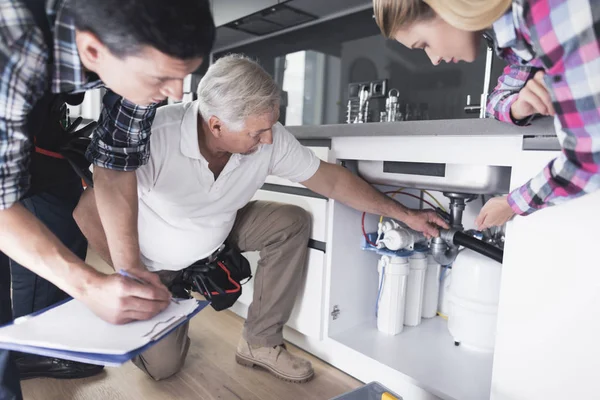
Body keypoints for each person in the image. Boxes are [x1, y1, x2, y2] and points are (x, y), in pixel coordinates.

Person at [73, 54, 449, 383]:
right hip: (156, 266)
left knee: (290, 221)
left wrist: (407, 215)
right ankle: (158, 313)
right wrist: (133, 275)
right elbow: (87, 211)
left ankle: (260, 341)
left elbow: (331, 179)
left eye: (270, 126)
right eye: (257, 132)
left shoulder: (270, 139)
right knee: (164, 368)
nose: (268, 140)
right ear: (216, 125)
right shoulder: (158, 137)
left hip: (217, 234)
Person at [0, 0, 214, 397]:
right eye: (162, 77)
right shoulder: (11, 36)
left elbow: (116, 164)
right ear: (94, 51)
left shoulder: (134, 52)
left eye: (184, 76)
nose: (177, 93)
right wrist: (86, 285)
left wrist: (129, 271)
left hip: (38, 136)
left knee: (56, 228)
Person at [372, 0, 599, 230]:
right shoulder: (515, 32)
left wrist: (513, 204)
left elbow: (590, 158)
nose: (433, 59)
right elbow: (496, 101)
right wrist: (518, 107)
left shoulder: (545, 9)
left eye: (424, 44)